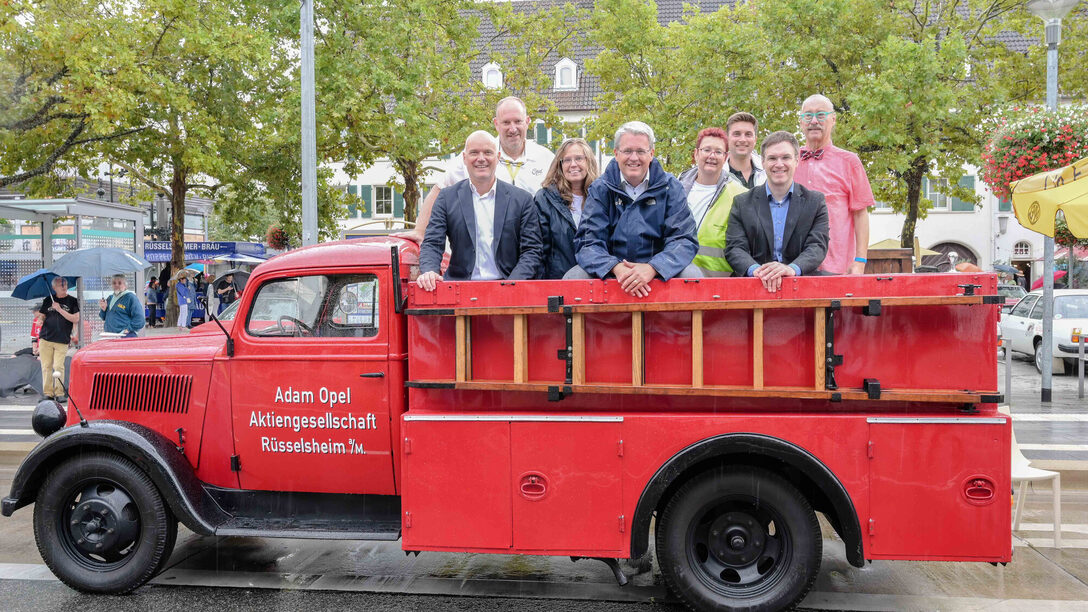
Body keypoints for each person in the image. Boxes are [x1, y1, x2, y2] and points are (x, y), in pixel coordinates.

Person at [395, 96, 555, 244]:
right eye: (506, 122)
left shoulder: (546, 158)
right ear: (496, 124)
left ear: (527, 122)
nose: (512, 129)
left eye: (518, 121)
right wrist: (420, 231)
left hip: (533, 246)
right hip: (491, 248)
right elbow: (439, 189)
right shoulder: (479, 153)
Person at [566, 121, 700, 297]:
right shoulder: (601, 188)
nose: (634, 158)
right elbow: (588, 242)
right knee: (573, 278)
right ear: (616, 154)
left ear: (651, 154)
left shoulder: (671, 187)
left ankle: (682, 326)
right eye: (627, 151)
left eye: (641, 151)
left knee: (693, 276)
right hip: (613, 272)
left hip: (659, 272)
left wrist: (653, 267)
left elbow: (683, 239)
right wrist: (616, 267)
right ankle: (589, 326)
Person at [416, 131, 543, 291]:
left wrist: (511, 286)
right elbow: (433, 243)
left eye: (488, 152)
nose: (481, 158)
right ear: (464, 158)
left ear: (498, 157)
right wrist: (429, 271)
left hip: (509, 288)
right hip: (460, 289)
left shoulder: (522, 200)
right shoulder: (446, 198)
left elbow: (532, 250)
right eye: (474, 153)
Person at [725, 131, 830, 293]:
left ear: (797, 161)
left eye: (786, 158)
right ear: (763, 162)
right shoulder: (742, 202)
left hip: (802, 287)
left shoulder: (815, 202)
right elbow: (735, 248)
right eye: (772, 158)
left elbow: (817, 246)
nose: (779, 164)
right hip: (752, 287)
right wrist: (757, 271)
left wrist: (792, 269)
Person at [793, 94, 874, 275]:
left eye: (821, 115)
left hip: (838, 266)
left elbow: (861, 213)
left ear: (833, 119)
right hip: (795, 266)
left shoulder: (849, 161)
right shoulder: (788, 162)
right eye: (808, 115)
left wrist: (860, 261)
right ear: (801, 122)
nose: (814, 121)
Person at [677, 127, 749, 276]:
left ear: (726, 157)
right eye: (706, 150)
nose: (712, 156)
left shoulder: (740, 195)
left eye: (718, 152)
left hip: (720, 286)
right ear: (696, 154)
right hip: (676, 281)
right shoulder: (675, 189)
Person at [533, 138, 600, 279]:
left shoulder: (601, 197)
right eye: (567, 160)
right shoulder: (545, 199)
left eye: (579, 158)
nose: (573, 164)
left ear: (589, 162)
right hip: (557, 283)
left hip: (596, 283)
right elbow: (539, 249)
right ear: (560, 165)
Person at [37, 277, 79, 401]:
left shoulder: (72, 301)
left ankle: (59, 393)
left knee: (59, 366)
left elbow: (75, 319)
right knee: (46, 366)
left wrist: (60, 309)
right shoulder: (48, 300)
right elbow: (43, 315)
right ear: (54, 287)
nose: (64, 286)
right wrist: (40, 319)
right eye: (61, 284)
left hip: (62, 339)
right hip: (46, 338)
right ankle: (48, 393)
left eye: (65, 284)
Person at [725, 112, 765, 189]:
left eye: (748, 134)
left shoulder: (768, 171)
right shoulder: (716, 175)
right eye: (737, 134)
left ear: (755, 140)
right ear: (727, 138)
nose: (742, 139)